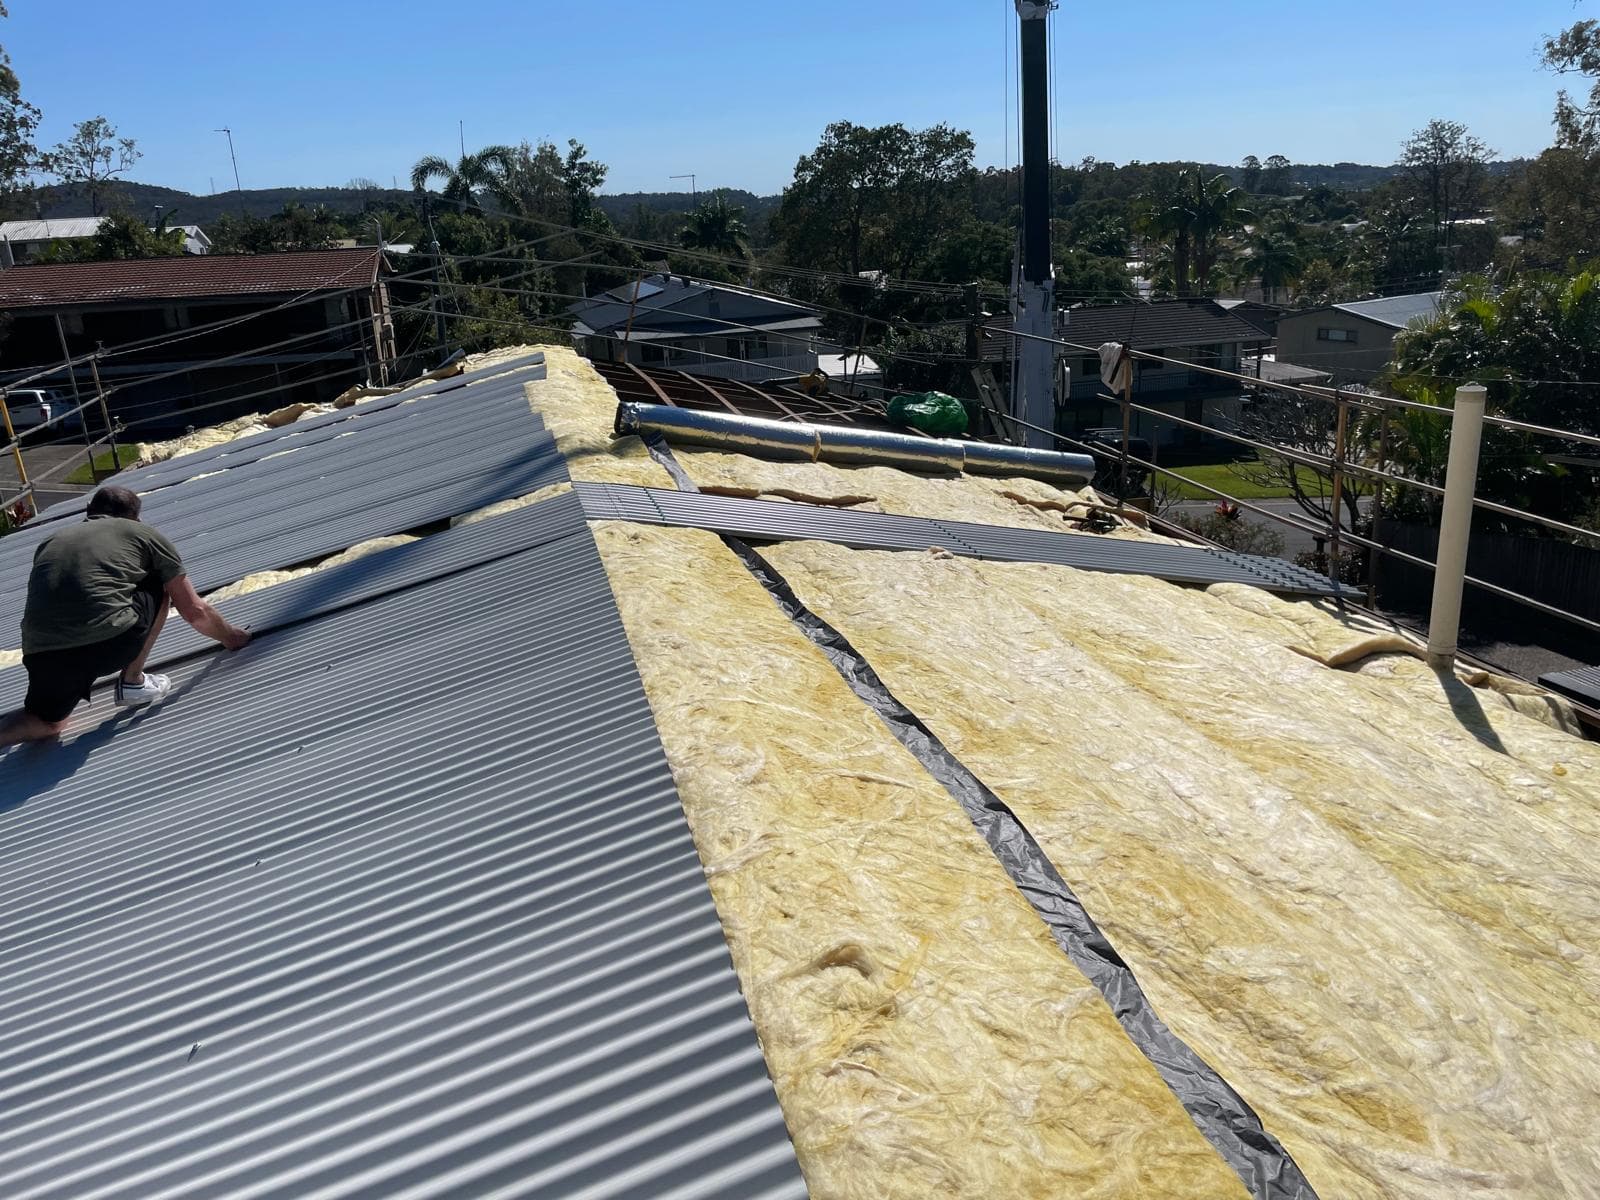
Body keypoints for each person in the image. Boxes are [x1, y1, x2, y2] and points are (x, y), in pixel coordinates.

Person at [0, 485, 250, 748]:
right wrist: (231, 637)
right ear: (135, 517)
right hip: (111, 642)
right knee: (158, 579)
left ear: (89, 512)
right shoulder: (143, 533)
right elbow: (193, 610)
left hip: (44, 656)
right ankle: (132, 681)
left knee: (47, 723)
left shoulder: (52, 541)